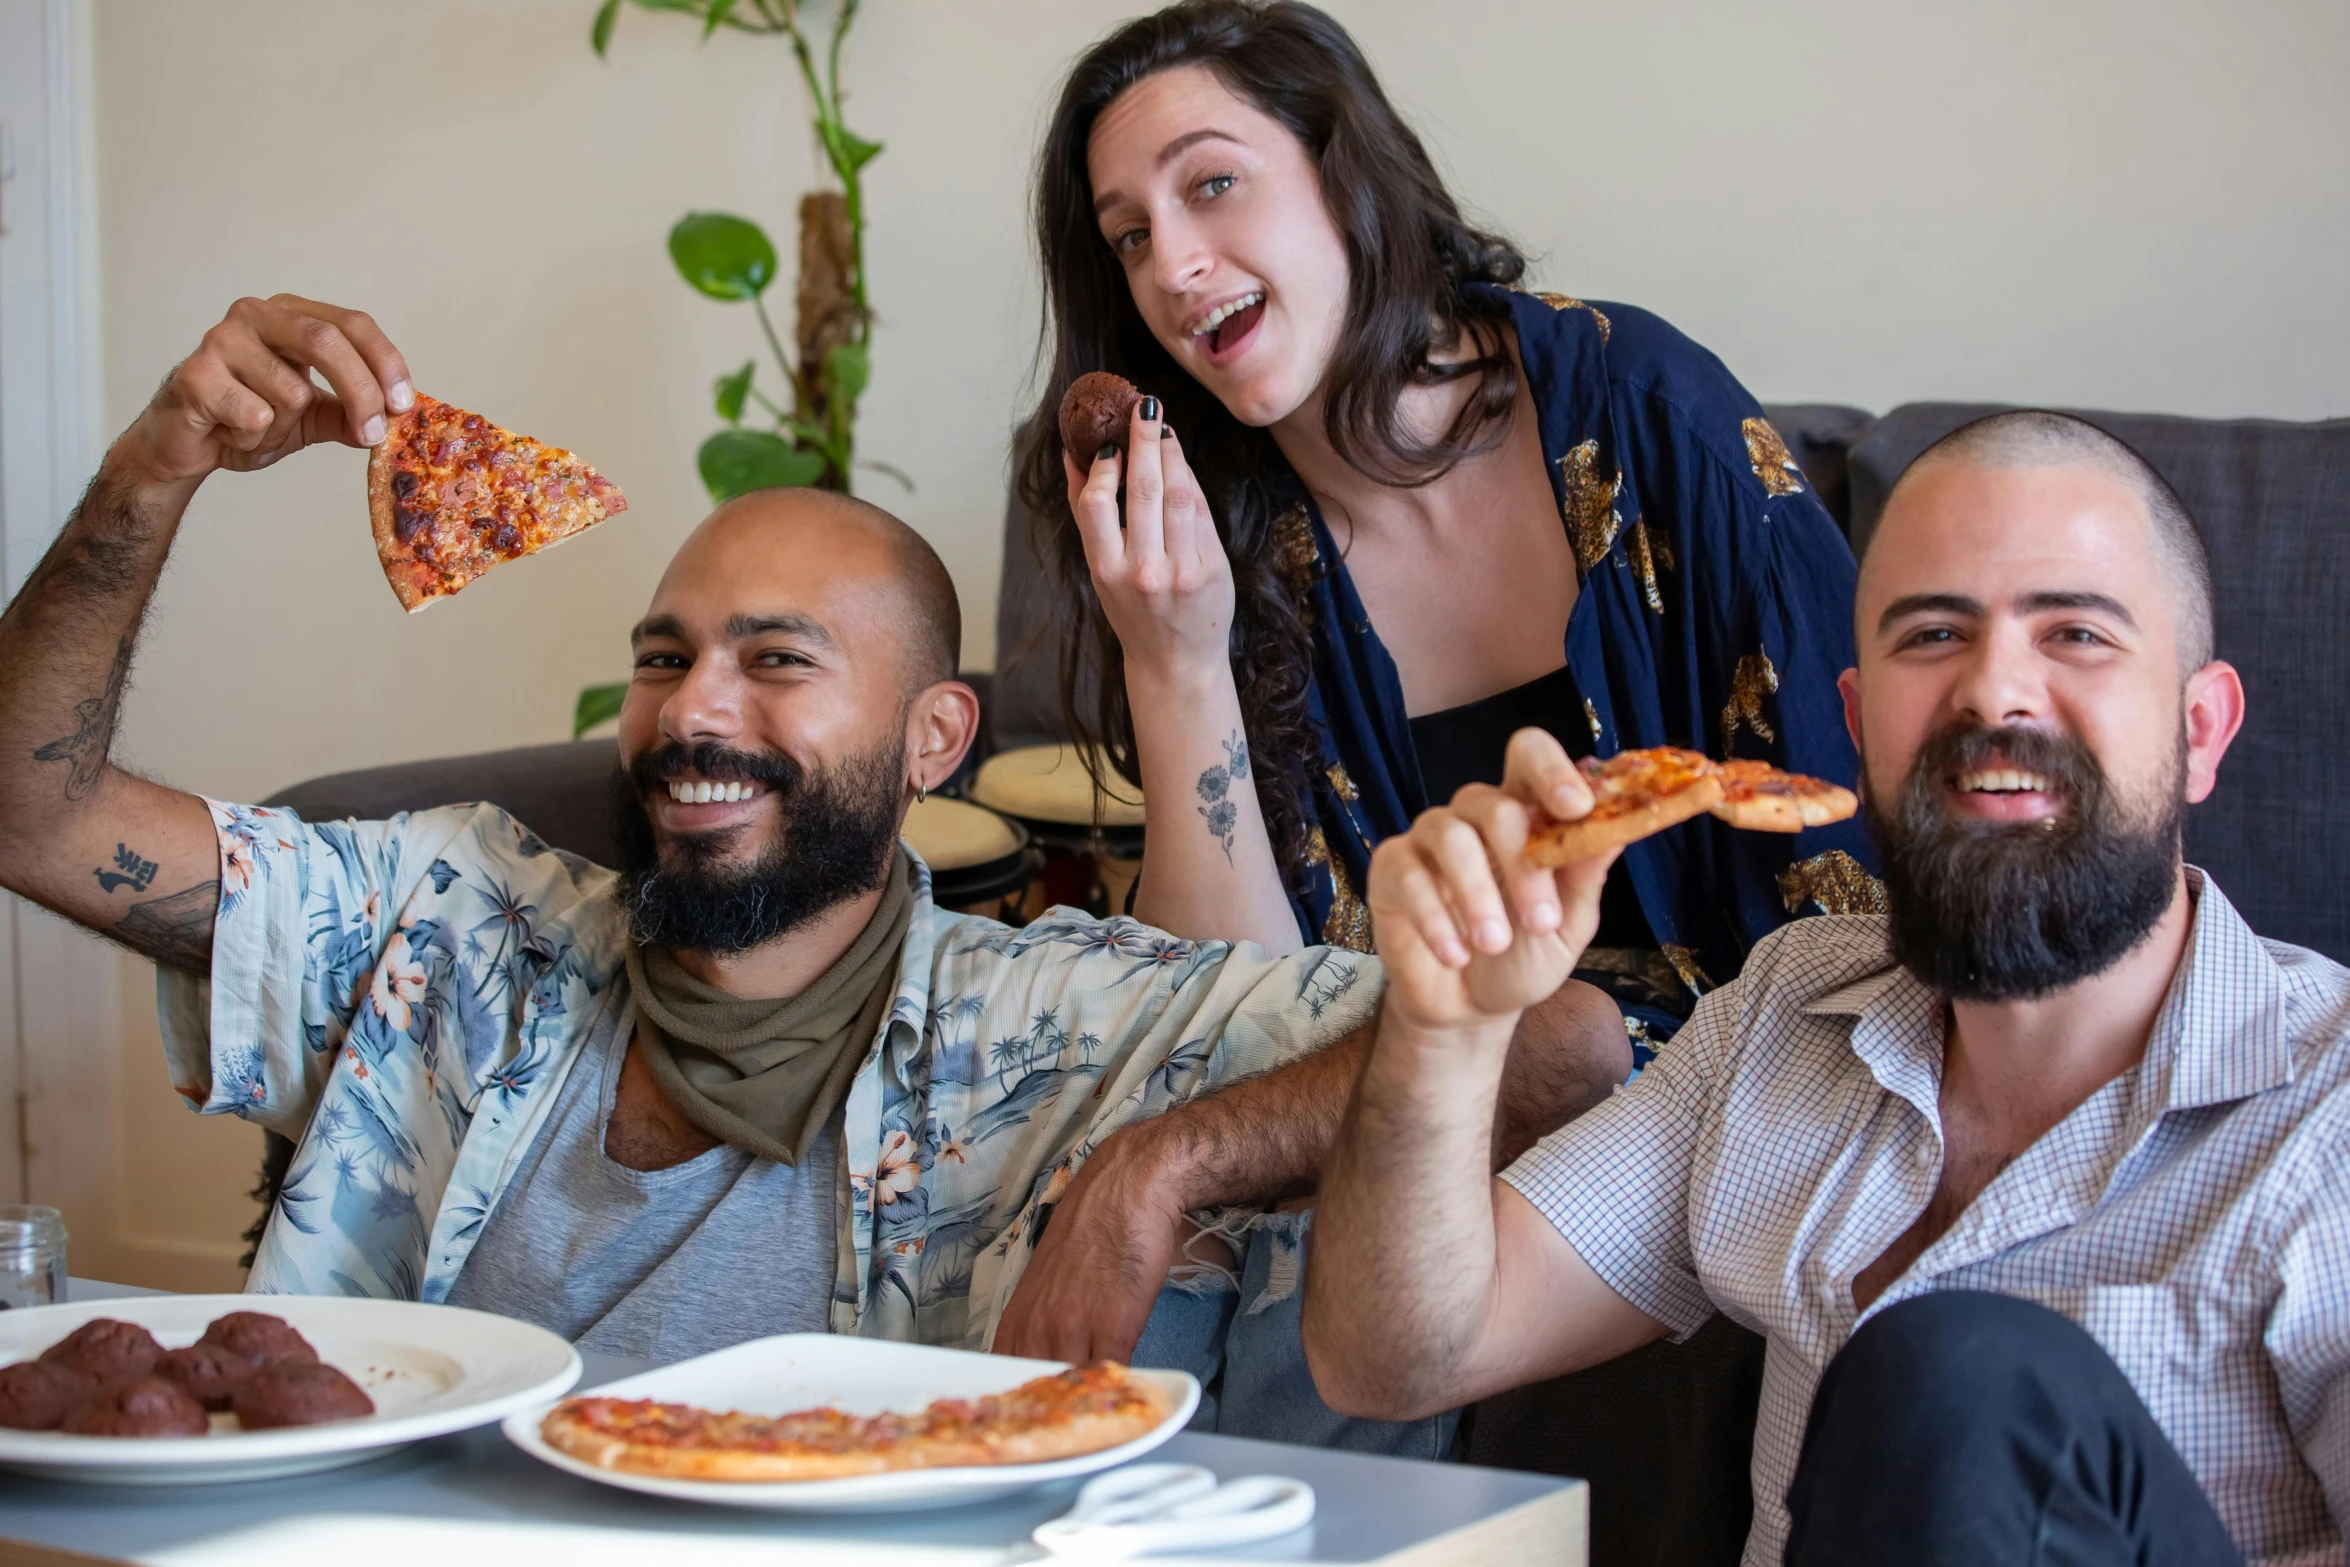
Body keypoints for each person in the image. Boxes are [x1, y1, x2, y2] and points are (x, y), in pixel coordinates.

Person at [0, 293, 1622, 1360]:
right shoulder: (456, 919)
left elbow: (1562, 1046)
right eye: (662, 657)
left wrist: (1151, 1166)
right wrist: (159, 466)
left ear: (935, 739)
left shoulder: (1042, 1027)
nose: (695, 709)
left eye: (778, 660)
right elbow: (31, 812)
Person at [1304, 409, 2350, 1566]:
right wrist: (1443, 1024)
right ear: (1857, 729)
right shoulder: (1783, 1012)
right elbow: (1391, 1358)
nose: (1994, 692)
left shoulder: (2330, 1116)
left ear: (2199, 730)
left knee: (1959, 1374)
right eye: (1934, 635)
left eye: (2076, 635)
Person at [1017, 0, 1877, 1068]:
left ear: (1343, 173)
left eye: (1212, 184)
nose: (1172, 266)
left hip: (1746, 1092)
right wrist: (1173, 656)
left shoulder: (1647, 409)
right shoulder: (1214, 540)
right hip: (1394, 1122)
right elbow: (1223, 1014)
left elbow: (1858, 847)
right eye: (1130, 237)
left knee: (1566, 1044)